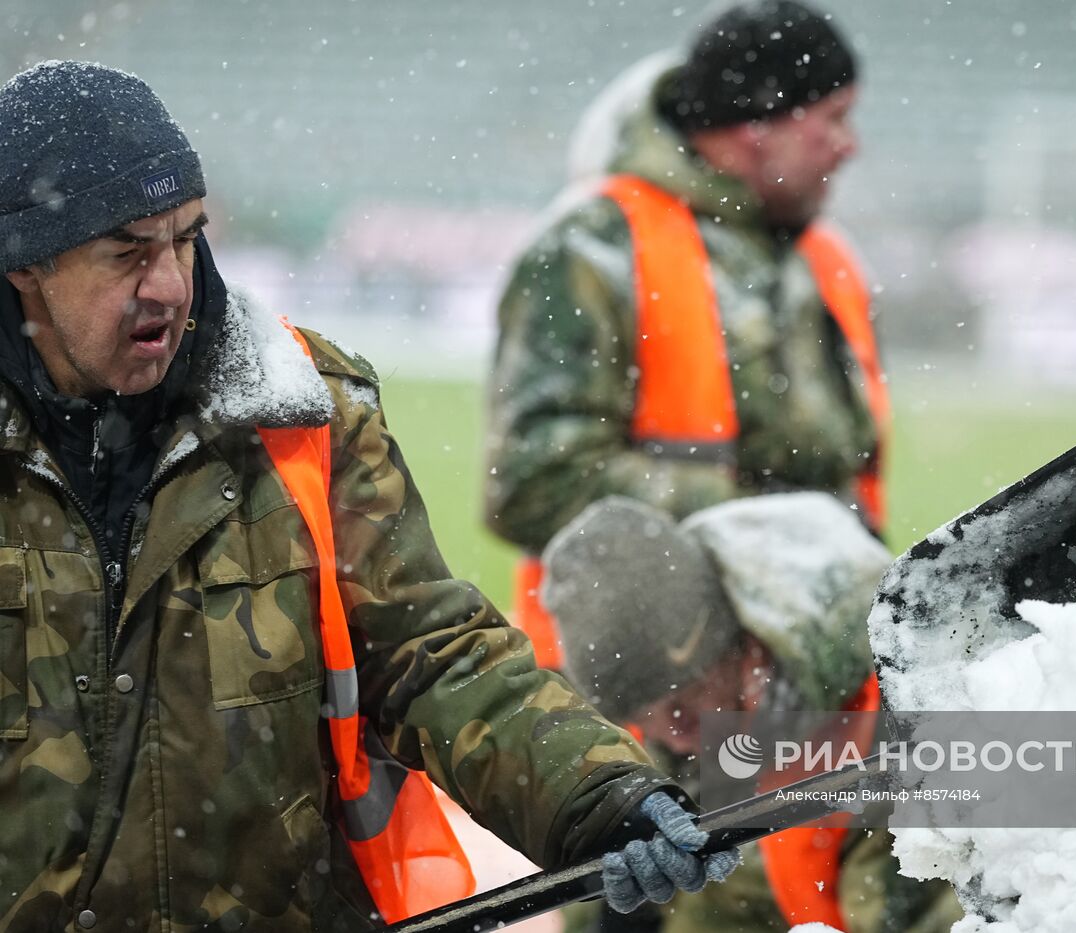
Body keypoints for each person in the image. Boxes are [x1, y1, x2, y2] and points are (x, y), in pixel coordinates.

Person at [0, 61, 736, 931]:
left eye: (185, 238)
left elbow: (432, 649)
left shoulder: (301, 411)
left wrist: (597, 792)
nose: (169, 282)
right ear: (27, 267)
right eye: (126, 251)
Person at [485, 0, 890, 669]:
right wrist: (773, 528)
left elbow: (852, 478)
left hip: (799, 698)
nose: (851, 145)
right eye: (834, 119)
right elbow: (533, 483)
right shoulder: (593, 247)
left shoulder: (828, 261)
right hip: (625, 715)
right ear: (758, 124)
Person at [542, 492, 962, 932]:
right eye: (646, 723)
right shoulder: (712, 727)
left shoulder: (904, 725)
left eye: (683, 709)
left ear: (735, 647)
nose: (676, 738)